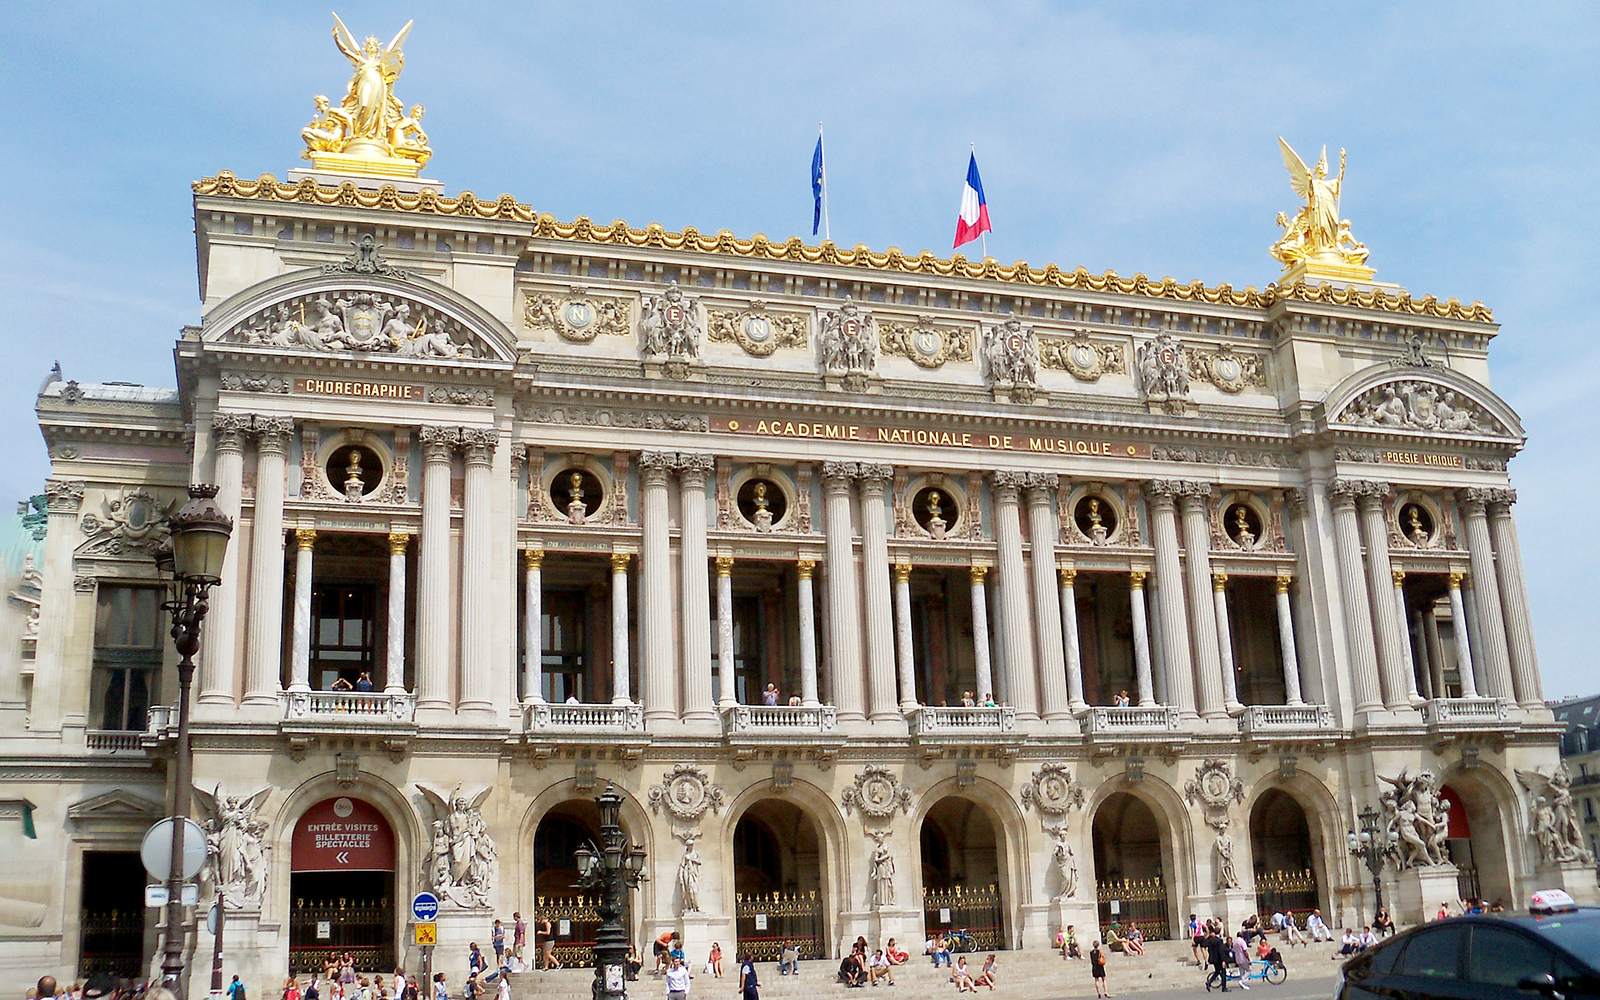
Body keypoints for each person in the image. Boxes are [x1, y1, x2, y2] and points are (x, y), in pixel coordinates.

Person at [1205, 926, 1231, 992]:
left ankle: (1209, 982)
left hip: (1213, 959)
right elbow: (1221, 951)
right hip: (1219, 959)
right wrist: (1223, 960)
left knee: (1217, 971)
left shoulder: (1210, 940)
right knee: (1223, 972)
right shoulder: (1219, 940)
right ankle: (1224, 987)